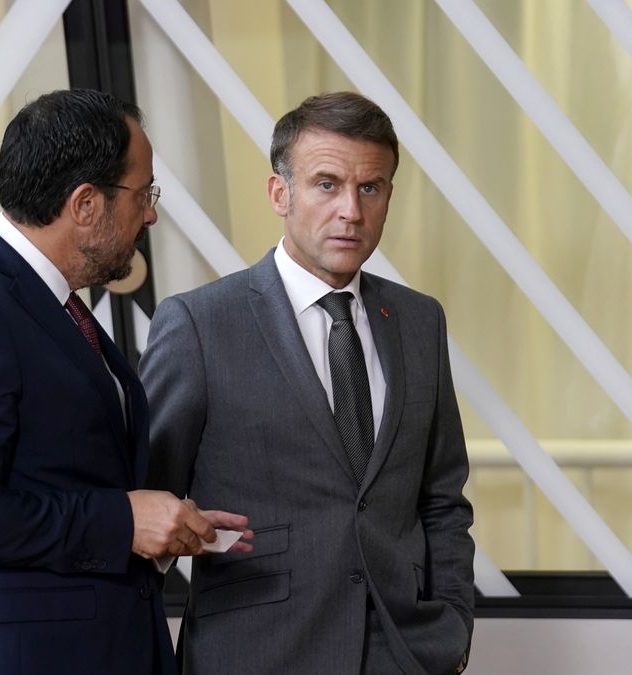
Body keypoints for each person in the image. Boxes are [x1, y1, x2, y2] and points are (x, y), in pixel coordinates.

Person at [0, 89, 249, 675]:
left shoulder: (48, 305)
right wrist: (125, 521)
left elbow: (68, 472)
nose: (151, 215)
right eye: (144, 194)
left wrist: (166, 523)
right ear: (86, 203)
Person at [140, 92, 474, 675]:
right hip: (254, 652)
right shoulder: (198, 324)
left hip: (403, 652)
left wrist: (450, 628)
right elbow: (148, 505)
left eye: (370, 188)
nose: (351, 210)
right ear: (280, 193)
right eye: (327, 184)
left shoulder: (421, 321)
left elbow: (442, 499)